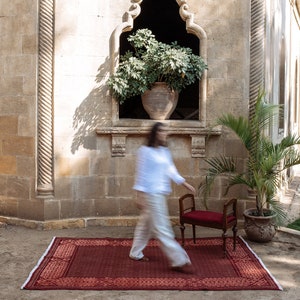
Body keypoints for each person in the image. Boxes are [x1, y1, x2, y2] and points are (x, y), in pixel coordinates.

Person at [129, 122, 196, 272]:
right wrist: (139, 195)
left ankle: (135, 253)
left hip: (160, 193)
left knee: (145, 226)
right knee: (162, 228)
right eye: (162, 131)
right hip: (150, 193)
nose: (165, 133)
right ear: (155, 133)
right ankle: (180, 260)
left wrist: (185, 184)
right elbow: (141, 174)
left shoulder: (165, 152)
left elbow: (171, 170)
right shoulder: (144, 151)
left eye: (166, 131)